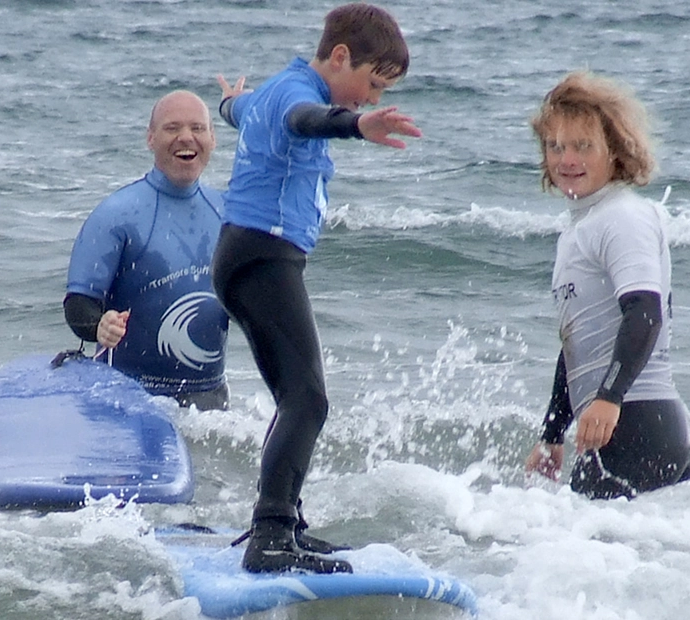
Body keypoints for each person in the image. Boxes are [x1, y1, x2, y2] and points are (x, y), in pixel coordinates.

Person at [210, 2, 421, 574]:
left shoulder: (270, 92)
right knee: (309, 400)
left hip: (247, 257)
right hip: (263, 257)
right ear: (340, 56)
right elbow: (305, 120)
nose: (373, 99)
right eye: (372, 84)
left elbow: (239, 111)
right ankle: (272, 537)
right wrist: (353, 125)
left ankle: (282, 527)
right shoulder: (297, 94)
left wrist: (228, 100)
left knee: (294, 399)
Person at [521, 71, 690, 500]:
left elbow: (644, 313)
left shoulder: (623, 217)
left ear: (615, 151)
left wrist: (609, 397)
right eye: (554, 146)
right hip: (623, 424)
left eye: (583, 146)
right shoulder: (581, 228)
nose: (566, 159)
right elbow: (577, 345)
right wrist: (552, 433)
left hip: (638, 422)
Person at [63, 90, 231, 411]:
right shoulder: (117, 214)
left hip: (210, 401)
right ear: (150, 138)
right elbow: (78, 303)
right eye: (172, 128)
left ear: (213, 138)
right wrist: (100, 325)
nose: (186, 137)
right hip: (126, 396)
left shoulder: (228, 212)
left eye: (197, 128)